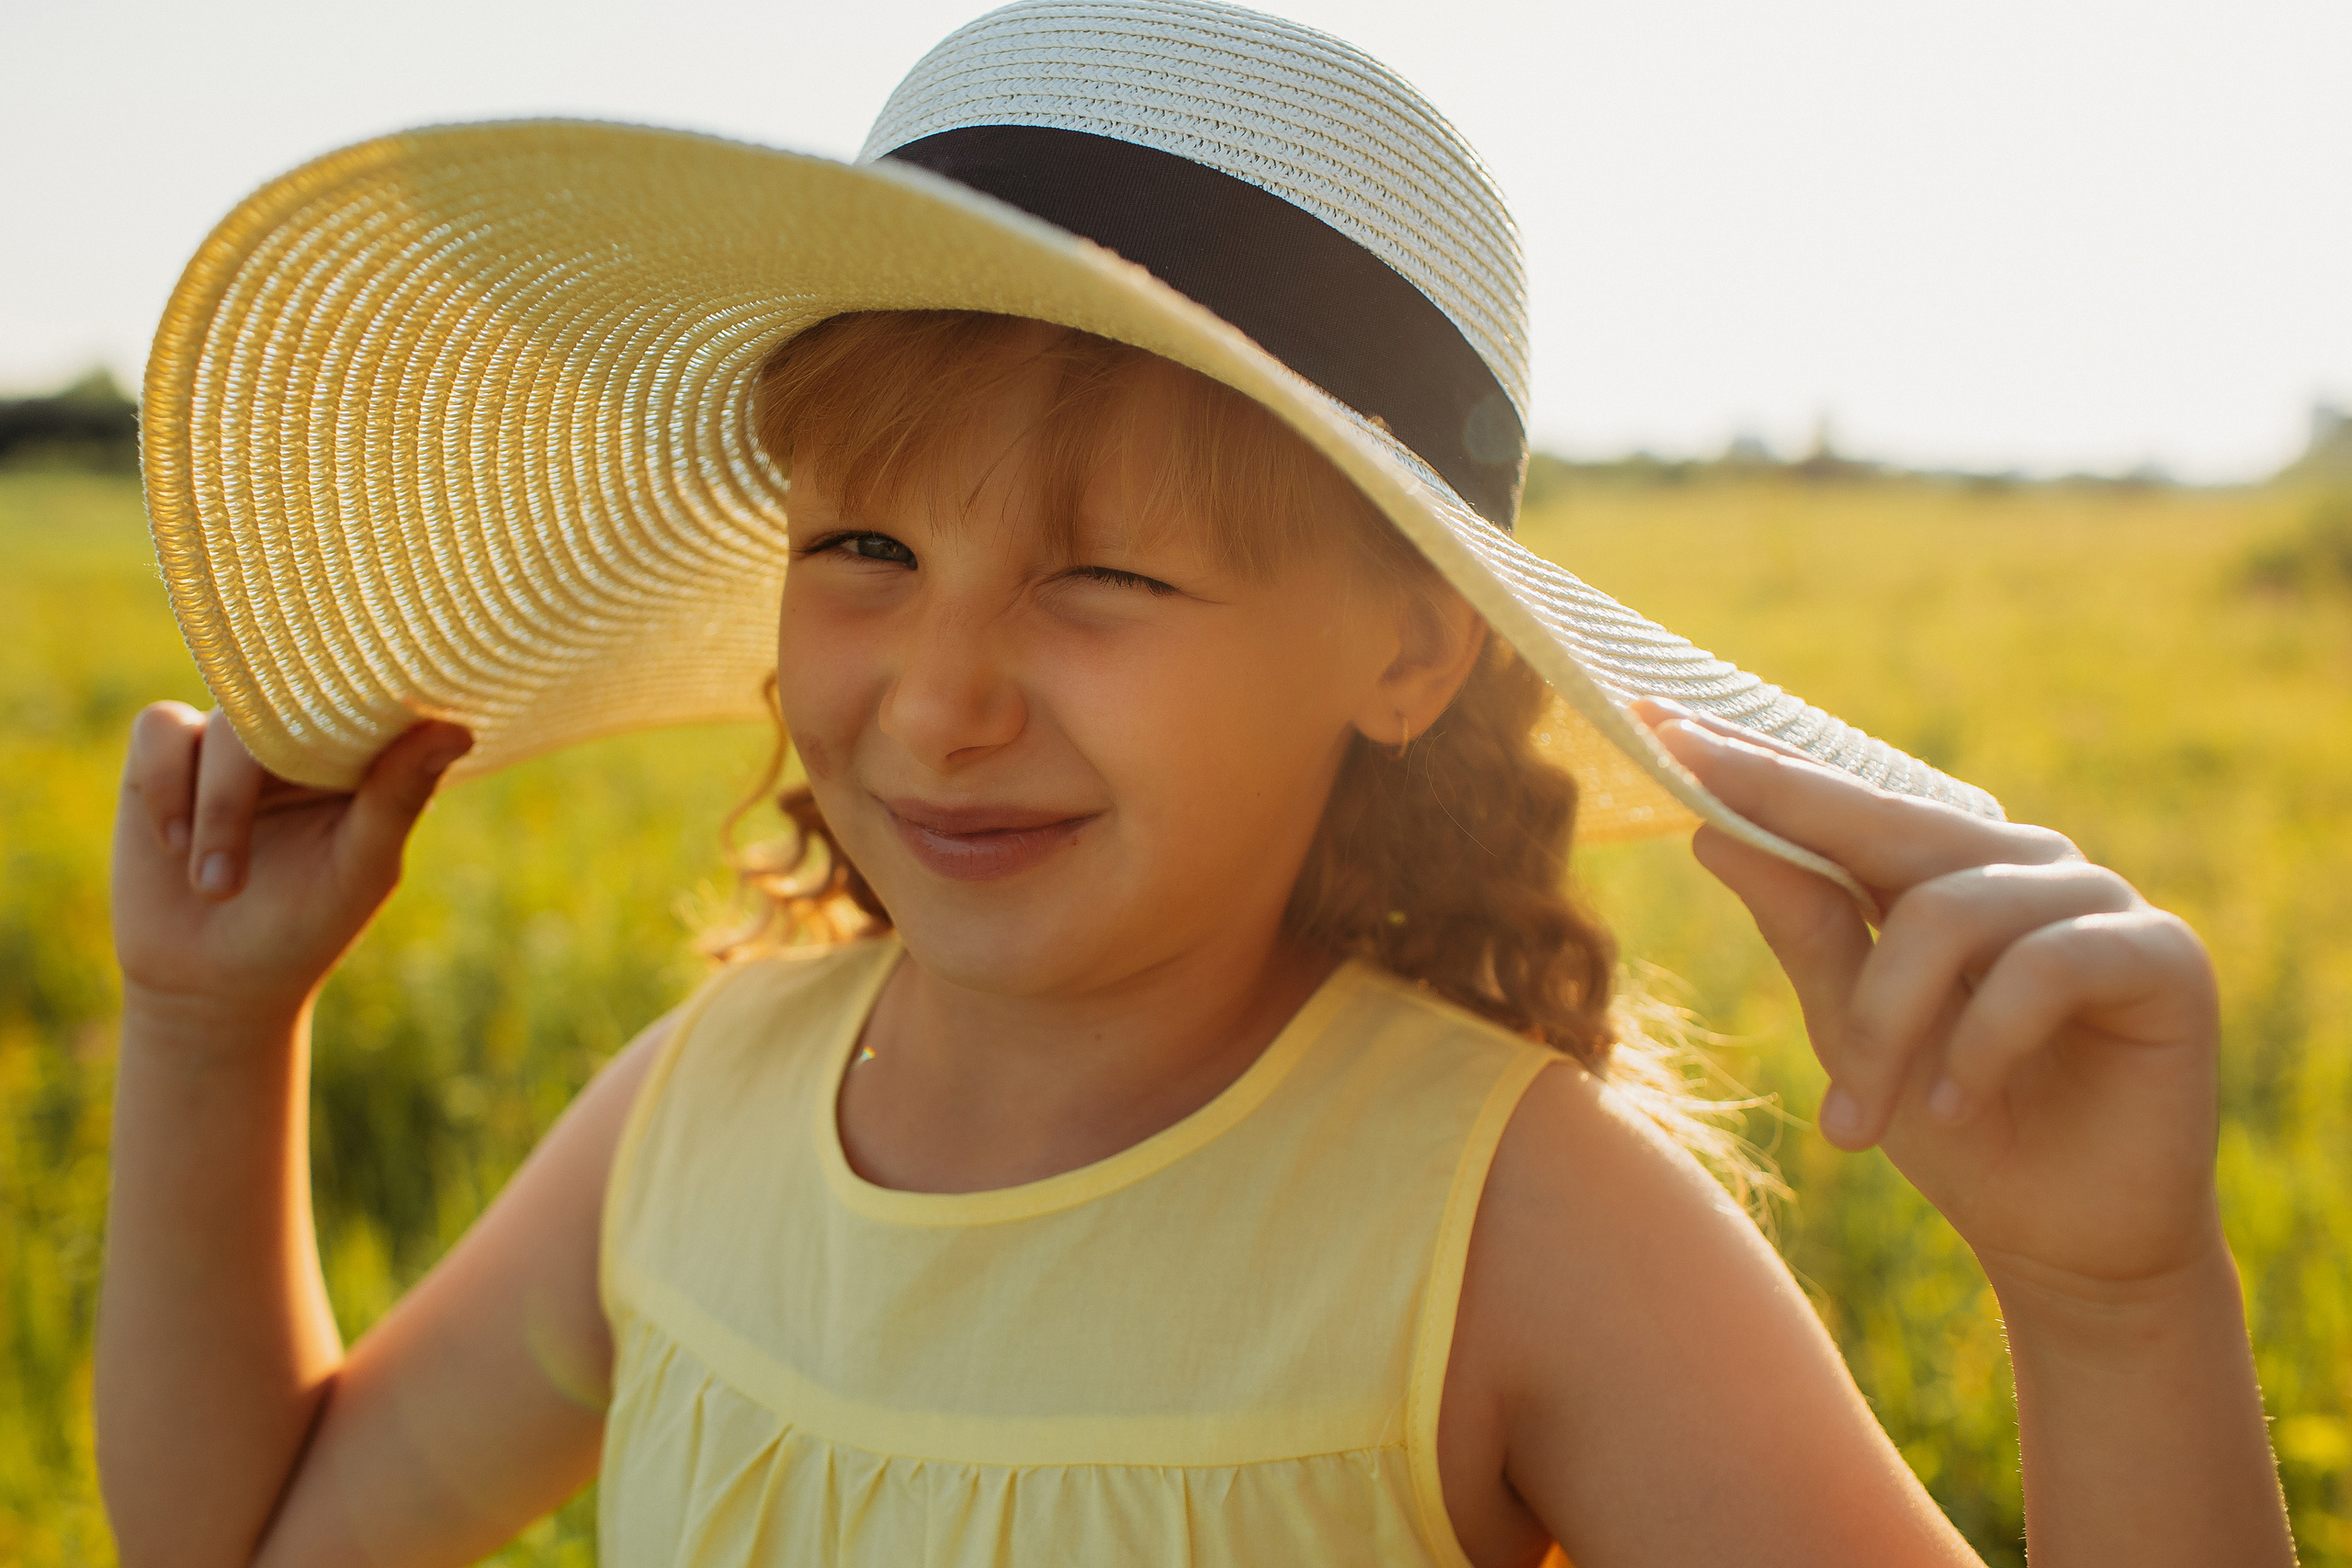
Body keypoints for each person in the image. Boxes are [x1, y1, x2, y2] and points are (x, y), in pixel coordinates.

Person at [95, 4, 2295, 1565]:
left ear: (1411, 646)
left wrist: (2112, 1307)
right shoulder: (698, 1114)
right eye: (862, 546)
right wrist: (214, 1030)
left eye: (1103, 575)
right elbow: (256, 1533)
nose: (938, 701)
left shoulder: (1517, 1229)